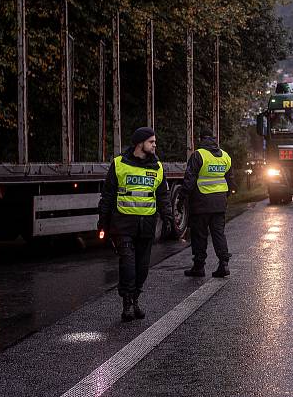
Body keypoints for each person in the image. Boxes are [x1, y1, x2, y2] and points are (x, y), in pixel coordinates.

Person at [98, 127, 174, 322]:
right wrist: (103, 222)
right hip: (123, 224)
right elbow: (107, 195)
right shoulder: (119, 164)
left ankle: (136, 299)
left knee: (142, 268)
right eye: (152, 142)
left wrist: (168, 218)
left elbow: (163, 195)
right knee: (128, 266)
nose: (155, 145)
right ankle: (127, 304)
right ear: (140, 143)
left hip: (146, 226)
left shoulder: (157, 167)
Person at [183, 129, 236, 278]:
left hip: (201, 202)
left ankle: (199, 267)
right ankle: (224, 264)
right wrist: (227, 195)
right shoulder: (225, 156)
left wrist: (182, 197)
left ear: (201, 139)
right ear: (214, 139)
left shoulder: (198, 155)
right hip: (219, 203)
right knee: (218, 233)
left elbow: (189, 179)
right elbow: (231, 180)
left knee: (199, 235)